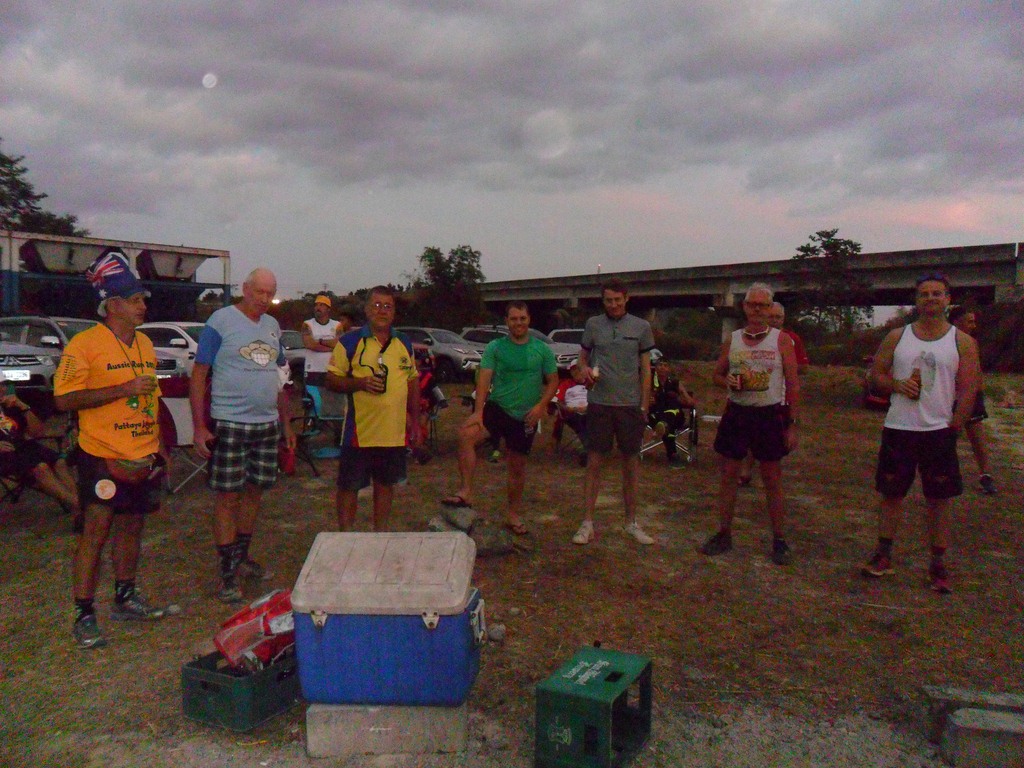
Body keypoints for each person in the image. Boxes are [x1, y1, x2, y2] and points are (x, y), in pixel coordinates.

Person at [54, 252, 169, 649]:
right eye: (136, 300)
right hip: (100, 454)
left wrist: (160, 445)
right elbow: (64, 400)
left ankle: (125, 596)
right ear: (113, 305)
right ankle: (84, 613)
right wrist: (121, 389)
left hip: (141, 453)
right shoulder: (84, 345)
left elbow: (151, 398)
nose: (143, 306)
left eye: (142, 299)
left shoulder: (145, 343)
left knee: (133, 526)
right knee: (96, 532)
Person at [860, 274, 981, 593]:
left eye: (937, 294)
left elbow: (970, 386)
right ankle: (883, 555)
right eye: (924, 294)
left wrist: (956, 424)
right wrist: (896, 385)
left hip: (938, 431)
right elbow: (875, 376)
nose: (930, 299)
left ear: (947, 299)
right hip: (899, 427)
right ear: (916, 300)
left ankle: (937, 564)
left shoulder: (962, 341)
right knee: (891, 494)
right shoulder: (897, 337)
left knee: (939, 499)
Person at [190, 268, 296, 604]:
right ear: (245, 289)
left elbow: (279, 377)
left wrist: (286, 423)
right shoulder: (220, 321)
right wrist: (199, 426)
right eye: (259, 292)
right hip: (230, 422)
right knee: (228, 498)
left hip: (266, 424)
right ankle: (226, 572)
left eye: (270, 293)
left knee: (254, 493)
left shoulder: (272, 326)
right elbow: (199, 374)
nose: (264, 299)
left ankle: (241, 557)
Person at [700, 282, 800, 565]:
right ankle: (723, 533)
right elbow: (716, 375)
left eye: (763, 305)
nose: (757, 310)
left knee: (772, 478)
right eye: (752, 304)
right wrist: (727, 381)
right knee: (729, 475)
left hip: (769, 414)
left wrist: (792, 424)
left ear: (770, 309)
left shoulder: (781, 340)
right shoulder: (733, 339)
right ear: (744, 307)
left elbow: (793, 384)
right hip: (737, 413)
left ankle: (779, 539)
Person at [441, 302, 558, 535]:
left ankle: (513, 515)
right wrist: (478, 411)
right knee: (466, 436)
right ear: (507, 321)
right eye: (514, 319)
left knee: (517, 467)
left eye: (522, 318)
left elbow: (553, 381)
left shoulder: (541, 349)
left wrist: (540, 407)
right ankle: (466, 491)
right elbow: (484, 379)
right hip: (498, 408)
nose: (518, 323)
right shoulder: (495, 347)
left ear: (529, 320)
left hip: (525, 415)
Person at [326, 286, 419, 532]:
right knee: (349, 486)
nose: (382, 311)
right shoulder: (350, 342)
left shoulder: (403, 342)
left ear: (394, 312)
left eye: (388, 306)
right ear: (367, 310)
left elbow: (412, 381)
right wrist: (360, 383)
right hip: (359, 433)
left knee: (385, 485)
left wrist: (416, 421)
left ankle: (380, 535)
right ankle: (346, 536)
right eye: (377, 305)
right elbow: (331, 380)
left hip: (392, 434)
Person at [572, 279, 657, 546]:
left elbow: (646, 369)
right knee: (594, 463)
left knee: (630, 465)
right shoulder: (593, 325)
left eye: (617, 300)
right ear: (603, 301)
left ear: (626, 298)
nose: (613, 305)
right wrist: (584, 370)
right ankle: (587, 523)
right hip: (599, 404)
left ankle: (631, 523)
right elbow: (581, 359)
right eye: (608, 300)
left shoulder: (641, 327)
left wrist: (644, 405)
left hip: (629, 406)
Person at [738, 301, 807, 485]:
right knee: (752, 435)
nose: (775, 320)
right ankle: (746, 470)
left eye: (779, 317)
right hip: (755, 394)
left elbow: (803, 367)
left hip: (781, 398)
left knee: (775, 441)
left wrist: (785, 365)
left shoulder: (791, 339)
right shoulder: (751, 337)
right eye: (772, 317)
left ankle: (770, 472)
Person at [0, 391, 80, 521]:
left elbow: (37, 432)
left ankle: (78, 505)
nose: (2, 390)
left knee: (60, 462)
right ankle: (79, 505)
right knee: (41, 467)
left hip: (24, 446)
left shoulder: (10, 407)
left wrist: (24, 408)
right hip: (5, 454)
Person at [948, 305, 996, 494]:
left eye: (974, 322)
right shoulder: (942, 342)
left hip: (970, 396)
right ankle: (946, 475)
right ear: (956, 322)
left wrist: (978, 391)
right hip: (949, 396)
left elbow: (976, 370)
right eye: (970, 322)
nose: (973, 326)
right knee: (948, 437)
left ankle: (986, 476)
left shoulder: (971, 342)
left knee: (977, 437)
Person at [648, 356, 697, 464]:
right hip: (656, 415)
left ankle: (663, 427)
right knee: (667, 424)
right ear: (655, 367)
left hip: (676, 416)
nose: (662, 367)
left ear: (669, 369)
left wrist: (681, 398)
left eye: (665, 365)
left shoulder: (675, 383)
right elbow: (641, 400)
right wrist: (648, 400)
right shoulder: (649, 382)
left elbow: (690, 402)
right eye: (660, 365)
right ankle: (673, 455)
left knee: (669, 413)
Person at [301, 295, 344, 387]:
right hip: (312, 370)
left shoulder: (337, 325)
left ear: (328, 309)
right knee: (313, 395)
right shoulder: (307, 324)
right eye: (316, 305)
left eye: (321, 305)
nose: (318, 307)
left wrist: (319, 341)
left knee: (331, 395)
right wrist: (331, 346)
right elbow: (310, 344)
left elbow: (339, 344)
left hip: (331, 370)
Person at [551, 363, 589, 467]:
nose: (576, 372)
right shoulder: (565, 384)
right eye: (573, 370)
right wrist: (567, 408)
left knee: (593, 420)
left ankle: (586, 449)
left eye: (578, 369)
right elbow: (557, 400)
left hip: (589, 411)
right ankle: (586, 448)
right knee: (578, 421)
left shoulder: (590, 384)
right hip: (571, 412)